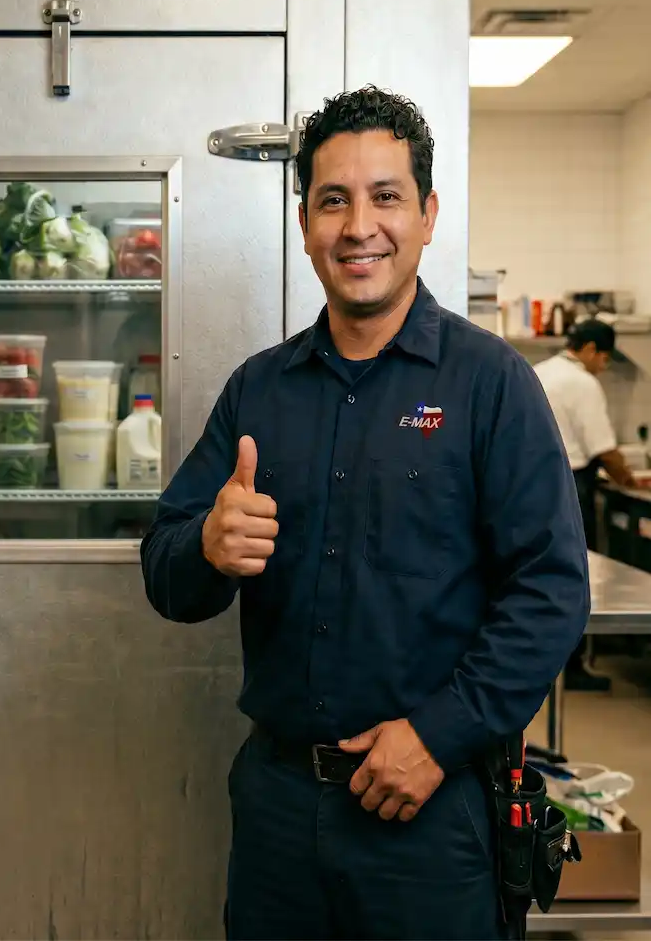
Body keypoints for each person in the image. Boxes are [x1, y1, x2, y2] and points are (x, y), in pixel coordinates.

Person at [140, 86, 591, 940]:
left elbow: (551, 596)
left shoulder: (490, 384)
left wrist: (436, 735)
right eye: (332, 200)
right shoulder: (258, 391)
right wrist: (205, 543)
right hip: (276, 812)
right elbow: (167, 573)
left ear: (426, 213)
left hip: (431, 813)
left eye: (385, 196)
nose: (359, 226)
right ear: (303, 218)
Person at [534, 319, 637, 692]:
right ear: (591, 350)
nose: (603, 366)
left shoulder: (538, 371)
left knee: (541, 576)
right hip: (571, 486)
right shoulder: (583, 383)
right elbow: (603, 448)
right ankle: (574, 666)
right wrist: (630, 479)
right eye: (605, 358)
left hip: (532, 484)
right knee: (577, 577)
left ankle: (541, 664)